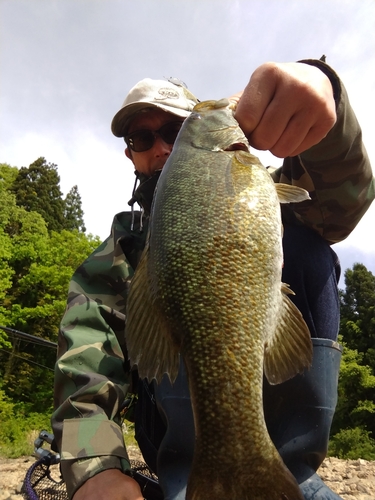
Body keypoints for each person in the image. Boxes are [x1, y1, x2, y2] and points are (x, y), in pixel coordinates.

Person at [52, 57, 374, 500]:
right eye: (143, 137)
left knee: (307, 247)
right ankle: (198, 473)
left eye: (174, 130)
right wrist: (94, 468)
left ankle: (294, 470)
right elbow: (83, 365)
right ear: (130, 153)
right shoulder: (116, 258)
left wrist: (324, 93)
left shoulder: (254, 191)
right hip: (182, 458)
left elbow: (338, 202)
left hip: (282, 437)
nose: (161, 147)